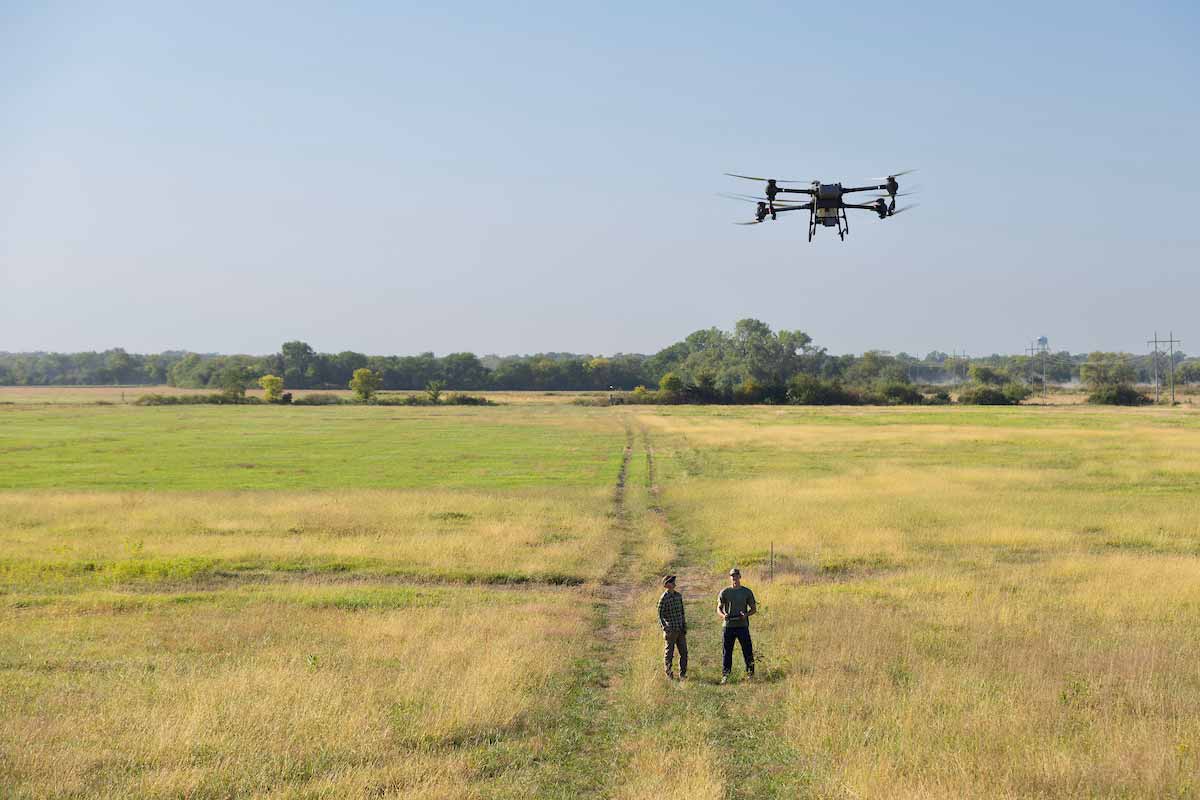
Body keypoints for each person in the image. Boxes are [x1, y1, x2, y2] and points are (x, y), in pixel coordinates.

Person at [717, 567, 756, 684]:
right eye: (732, 576)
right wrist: (723, 615)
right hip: (728, 626)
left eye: (736, 575)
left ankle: (750, 674)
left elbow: (754, 609)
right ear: (730, 577)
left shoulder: (746, 592)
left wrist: (746, 614)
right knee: (727, 652)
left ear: (740, 577)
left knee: (747, 650)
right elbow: (718, 608)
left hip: (742, 625)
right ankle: (725, 675)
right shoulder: (725, 592)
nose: (734, 577)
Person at [657, 574, 687, 681]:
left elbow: (682, 612)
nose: (674, 583)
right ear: (667, 585)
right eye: (672, 581)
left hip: (680, 629)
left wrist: (684, 625)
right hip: (671, 630)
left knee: (684, 652)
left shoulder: (678, 596)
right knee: (669, 654)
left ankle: (682, 675)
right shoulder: (663, 598)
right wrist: (665, 627)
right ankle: (669, 675)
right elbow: (659, 615)